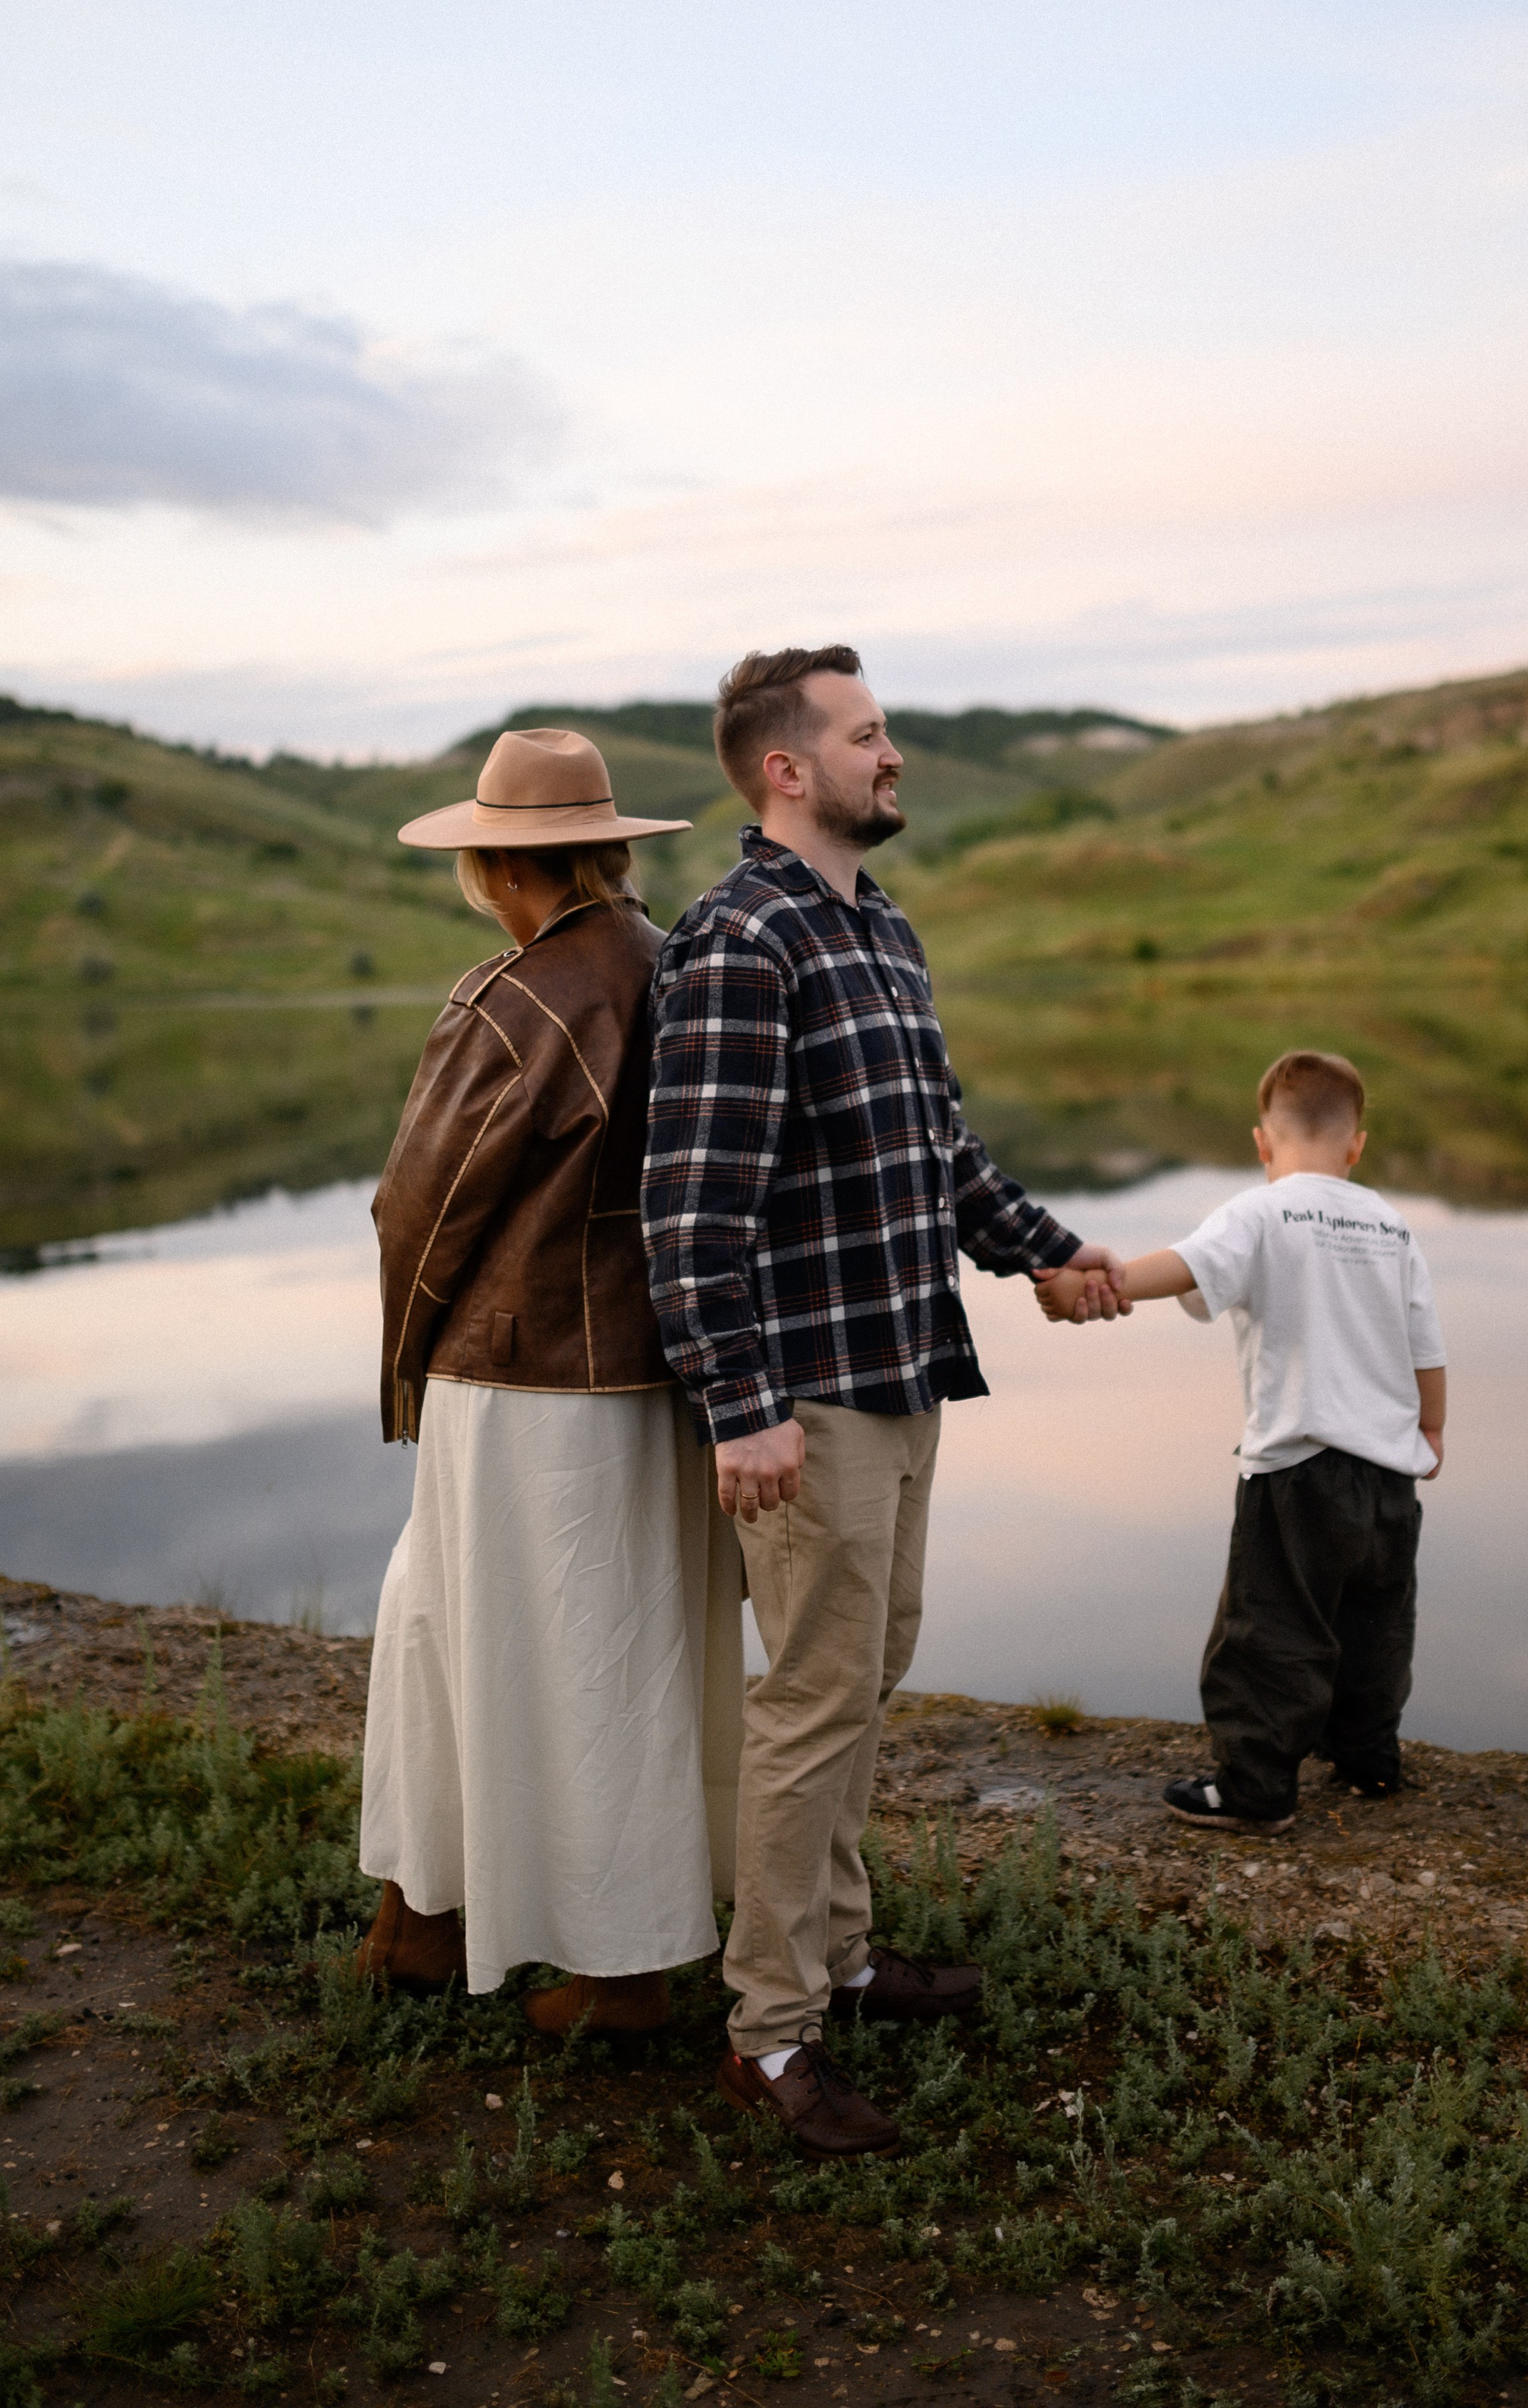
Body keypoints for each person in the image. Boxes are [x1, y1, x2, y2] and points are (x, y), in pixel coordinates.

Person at [641, 645, 1129, 2158]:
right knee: (809, 1698)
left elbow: (939, 1150)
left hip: (899, 1363)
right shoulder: (738, 943)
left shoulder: (878, 928)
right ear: (785, 767)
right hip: (805, 1396)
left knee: (861, 1672)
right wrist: (742, 1404)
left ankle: (842, 1956)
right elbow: (689, 1205)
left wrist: (1049, 1254)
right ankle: (769, 2031)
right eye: (866, 735)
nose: (892, 753)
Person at [357, 727, 745, 2031]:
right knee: (616, 1648)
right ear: (611, 846)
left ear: (491, 862)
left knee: (473, 1637)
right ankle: (450, 1912)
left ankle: (593, 1959)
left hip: (521, 1381)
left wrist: (403, 1361)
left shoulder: (516, 996)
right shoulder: (685, 964)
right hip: (665, 1376)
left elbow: (422, 1208)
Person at [1036, 1048, 1446, 1838]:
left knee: (1271, 1628)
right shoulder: (1393, 1226)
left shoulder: (1261, 1212)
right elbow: (1426, 1344)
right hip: (1390, 1474)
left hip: (1297, 1468)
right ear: (1356, 1146)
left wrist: (1096, 1284)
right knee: (1375, 1622)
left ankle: (1256, 1786)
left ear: (1262, 1143)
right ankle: (1368, 1757)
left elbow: (1183, 1265)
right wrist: (1431, 1428)